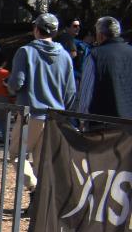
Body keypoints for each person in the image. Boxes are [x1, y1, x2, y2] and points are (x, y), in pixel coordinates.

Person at [7, 13, 77, 188]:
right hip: (55, 116)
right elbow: (70, 91)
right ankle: (41, 201)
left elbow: (16, 83)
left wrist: (9, 85)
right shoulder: (65, 56)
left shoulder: (26, 52)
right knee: (43, 161)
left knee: (17, 154)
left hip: (30, 113)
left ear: (36, 29)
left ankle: (34, 187)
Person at [74, 16, 132, 119]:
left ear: (100, 35)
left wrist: (82, 119)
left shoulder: (95, 55)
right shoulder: (130, 51)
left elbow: (86, 92)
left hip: (103, 124)